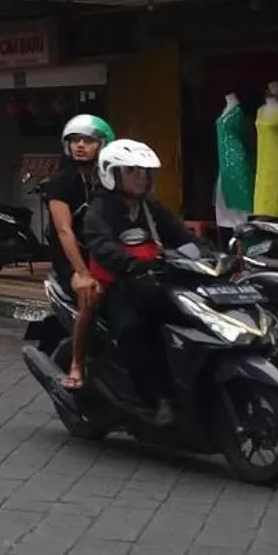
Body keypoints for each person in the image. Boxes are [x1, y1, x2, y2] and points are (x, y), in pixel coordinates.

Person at [81, 138, 193, 422]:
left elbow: (182, 236)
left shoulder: (150, 209)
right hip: (115, 286)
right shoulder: (99, 209)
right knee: (134, 329)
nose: (140, 178)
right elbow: (100, 244)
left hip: (150, 282)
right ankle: (154, 399)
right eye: (132, 171)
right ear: (112, 174)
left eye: (144, 172)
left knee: (188, 315)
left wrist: (208, 254)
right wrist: (128, 263)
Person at [46, 114, 114, 390]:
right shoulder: (62, 182)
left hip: (106, 254)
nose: (80, 146)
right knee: (90, 295)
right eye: (75, 141)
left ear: (103, 144)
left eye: (88, 140)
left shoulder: (109, 180)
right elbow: (64, 230)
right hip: (73, 261)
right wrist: (81, 272)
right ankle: (77, 363)